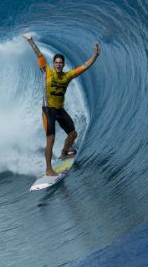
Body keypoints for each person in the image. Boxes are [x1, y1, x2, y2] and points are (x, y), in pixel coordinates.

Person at [23, 34, 101, 176]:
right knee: (50, 139)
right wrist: (30, 41)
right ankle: (48, 169)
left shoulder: (67, 76)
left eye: (61, 63)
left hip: (60, 110)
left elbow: (84, 67)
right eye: (56, 62)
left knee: (73, 134)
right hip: (48, 110)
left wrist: (95, 55)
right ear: (53, 64)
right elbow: (39, 54)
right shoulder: (46, 71)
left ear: (63, 64)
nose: (58, 64)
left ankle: (64, 153)